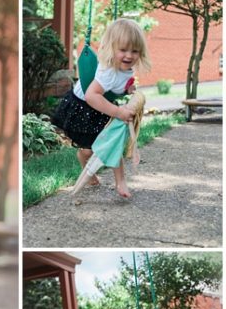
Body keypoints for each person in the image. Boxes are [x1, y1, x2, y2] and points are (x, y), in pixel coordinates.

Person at [51, 18, 151, 198]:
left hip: (102, 106)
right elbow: (91, 96)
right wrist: (118, 112)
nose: (129, 55)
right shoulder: (108, 72)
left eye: (134, 51)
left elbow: (116, 87)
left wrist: (127, 89)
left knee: (113, 143)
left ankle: (120, 182)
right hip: (83, 107)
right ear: (111, 48)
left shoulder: (126, 67)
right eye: (123, 50)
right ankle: (83, 160)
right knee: (88, 150)